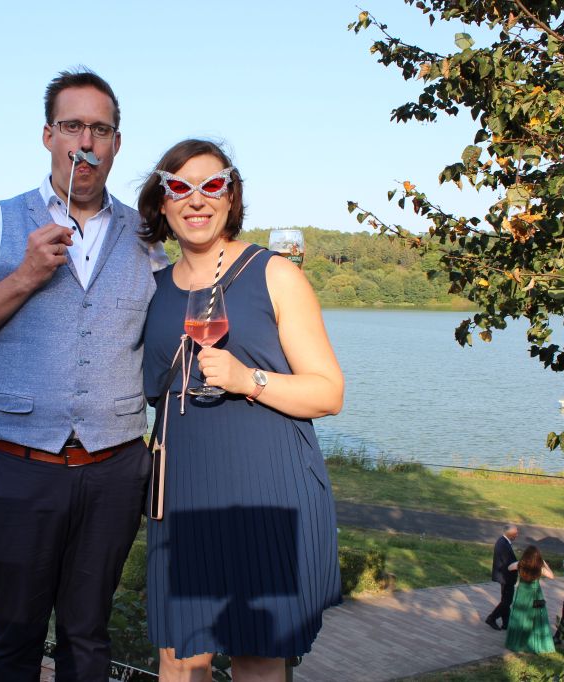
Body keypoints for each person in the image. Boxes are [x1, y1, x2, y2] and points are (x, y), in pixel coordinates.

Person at [0, 68, 166, 681]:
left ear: (116, 143)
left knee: (89, 636)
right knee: (16, 635)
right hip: (16, 468)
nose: (86, 141)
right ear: (48, 136)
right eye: (72, 125)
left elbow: (173, 337)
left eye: (100, 129)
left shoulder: (147, 239)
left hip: (113, 471)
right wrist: (24, 276)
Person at [137, 139, 344, 681]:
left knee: (256, 654)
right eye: (179, 187)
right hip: (184, 493)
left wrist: (247, 379)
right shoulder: (152, 289)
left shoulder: (274, 274)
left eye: (212, 185)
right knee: (181, 656)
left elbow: (328, 392)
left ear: (231, 197)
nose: (196, 199)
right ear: (162, 202)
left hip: (265, 488)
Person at [504, 545, 556, 654]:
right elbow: (552, 576)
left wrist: (520, 562)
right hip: (535, 594)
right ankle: (534, 641)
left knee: (520, 616)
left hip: (522, 593)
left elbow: (509, 567)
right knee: (536, 617)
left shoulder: (520, 565)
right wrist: (544, 563)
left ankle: (518, 641)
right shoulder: (539, 568)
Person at [485, 524, 519, 630]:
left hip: (504, 576)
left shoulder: (503, 542)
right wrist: (521, 564)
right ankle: (492, 618)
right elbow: (509, 564)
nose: (517, 535)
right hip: (506, 577)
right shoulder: (503, 544)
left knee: (505, 600)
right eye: (516, 533)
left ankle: (506, 623)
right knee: (506, 601)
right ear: (510, 534)